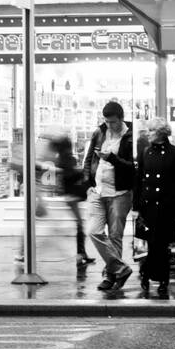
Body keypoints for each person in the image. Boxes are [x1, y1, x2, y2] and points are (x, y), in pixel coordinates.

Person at [82, 102, 138, 293]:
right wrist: (88, 184)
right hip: (97, 191)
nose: (109, 125)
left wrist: (112, 158)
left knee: (115, 236)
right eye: (106, 121)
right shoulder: (99, 132)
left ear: (121, 119)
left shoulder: (132, 136)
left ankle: (110, 276)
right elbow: (89, 158)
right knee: (94, 231)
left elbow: (133, 167)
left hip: (120, 193)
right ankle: (121, 269)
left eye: (112, 122)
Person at [136, 118, 175, 299]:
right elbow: (139, 179)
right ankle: (148, 275)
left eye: (151, 130)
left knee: (162, 244)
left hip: (166, 206)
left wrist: (170, 199)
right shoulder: (145, 152)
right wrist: (137, 206)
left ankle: (160, 278)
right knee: (151, 243)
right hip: (148, 205)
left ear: (161, 132)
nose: (147, 133)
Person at [50, 132, 96, 270]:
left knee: (80, 224)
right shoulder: (67, 158)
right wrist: (82, 172)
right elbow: (71, 175)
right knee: (80, 225)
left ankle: (81, 254)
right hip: (72, 195)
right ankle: (80, 255)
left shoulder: (61, 158)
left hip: (69, 195)